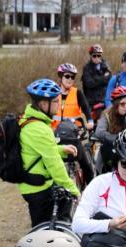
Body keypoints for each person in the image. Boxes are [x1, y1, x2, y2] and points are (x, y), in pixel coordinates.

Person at [18, 78, 80, 228]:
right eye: (55, 101)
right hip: (38, 187)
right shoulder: (39, 129)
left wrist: (60, 149)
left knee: (44, 226)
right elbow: (54, 165)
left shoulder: (29, 120)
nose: (58, 105)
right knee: (43, 233)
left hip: (31, 183)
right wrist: (73, 190)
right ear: (43, 104)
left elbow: (37, 151)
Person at [94, 85, 126, 171]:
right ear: (115, 104)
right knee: (103, 151)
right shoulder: (107, 114)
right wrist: (118, 137)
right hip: (112, 149)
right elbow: (99, 132)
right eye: (122, 104)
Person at [52, 63, 93, 131]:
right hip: (56, 131)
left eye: (72, 77)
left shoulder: (77, 93)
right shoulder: (53, 92)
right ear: (61, 77)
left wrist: (90, 121)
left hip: (74, 131)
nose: (70, 79)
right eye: (67, 76)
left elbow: (86, 109)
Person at [81, 44, 111, 113]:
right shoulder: (87, 68)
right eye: (94, 56)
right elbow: (89, 83)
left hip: (104, 99)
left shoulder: (105, 65)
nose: (97, 58)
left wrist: (96, 80)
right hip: (92, 101)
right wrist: (103, 78)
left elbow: (109, 79)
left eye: (99, 55)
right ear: (91, 56)